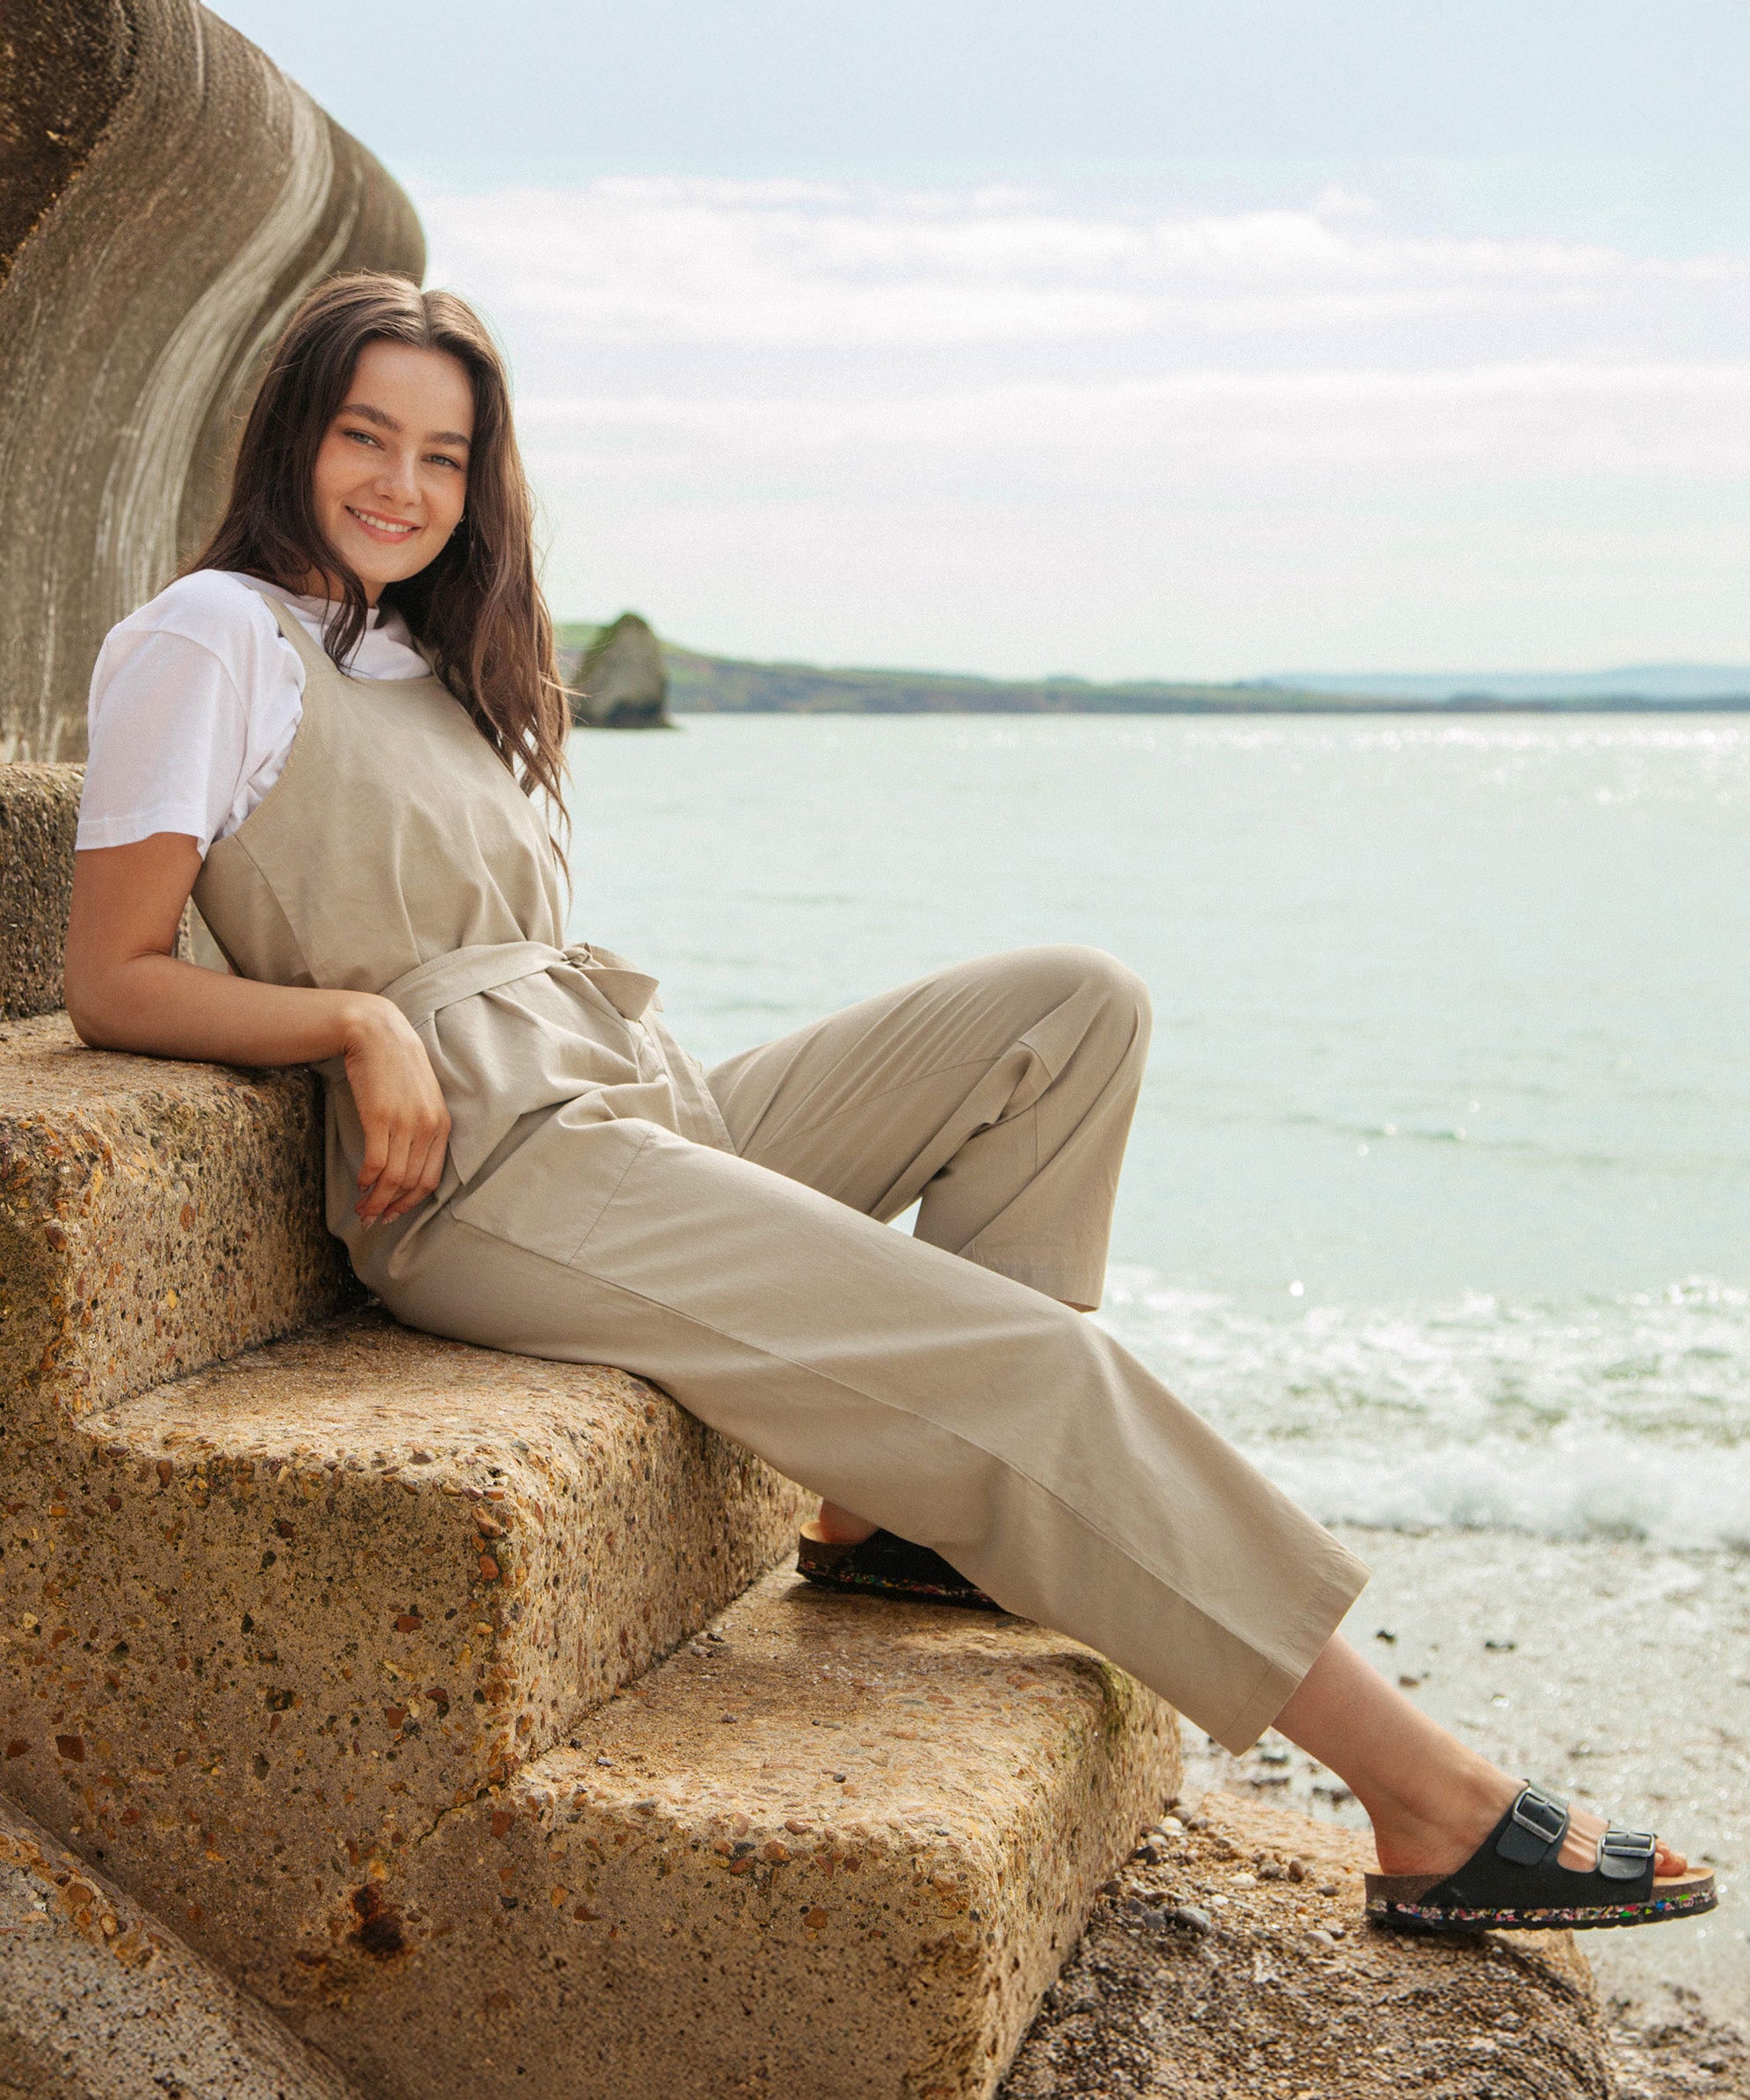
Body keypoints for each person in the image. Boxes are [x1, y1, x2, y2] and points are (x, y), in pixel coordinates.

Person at [61, 272, 1710, 1938]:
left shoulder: (438, 648)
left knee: (1072, 1008)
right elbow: (112, 976)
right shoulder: (210, 634)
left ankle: (904, 1523)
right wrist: (350, 1018)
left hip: (625, 1101)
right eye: (367, 437)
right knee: (1032, 1363)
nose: (403, 486)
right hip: (491, 1174)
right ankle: (1427, 1796)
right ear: (296, 433)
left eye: (445, 452)